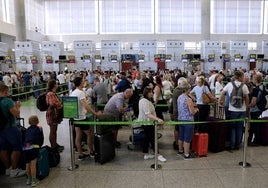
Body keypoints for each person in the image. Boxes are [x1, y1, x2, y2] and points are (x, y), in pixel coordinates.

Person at [70, 77, 102, 160]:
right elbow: (86, 106)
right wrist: (95, 113)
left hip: (75, 117)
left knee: (78, 135)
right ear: (80, 83)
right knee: (89, 134)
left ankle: (80, 154)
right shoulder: (80, 93)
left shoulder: (73, 92)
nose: (84, 82)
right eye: (83, 81)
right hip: (82, 118)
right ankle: (91, 152)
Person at [219, 70, 249, 151]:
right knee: (239, 128)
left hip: (232, 110)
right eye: (243, 76)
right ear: (239, 77)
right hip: (242, 110)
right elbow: (246, 98)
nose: (243, 78)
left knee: (232, 128)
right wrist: (247, 108)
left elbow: (222, 93)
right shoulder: (244, 86)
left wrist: (219, 102)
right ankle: (237, 145)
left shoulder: (229, 84)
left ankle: (231, 145)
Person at [0, 84, 26, 177]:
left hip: (1, 129)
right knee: (17, 147)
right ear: (5, 91)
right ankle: (14, 170)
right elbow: (16, 114)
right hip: (10, 128)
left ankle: (8, 168)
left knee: (3, 148)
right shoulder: (7, 101)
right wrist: (18, 106)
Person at [137, 86, 167, 162]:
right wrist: (158, 119)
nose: (152, 93)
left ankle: (146, 154)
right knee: (153, 138)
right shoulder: (145, 101)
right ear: (146, 93)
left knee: (147, 138)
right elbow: (148, 114)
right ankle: (158, 154)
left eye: (152, 92)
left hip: (147, 122)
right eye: (150, 92)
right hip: (147, 123)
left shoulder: (144, 100)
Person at [177, 81, 199, 160]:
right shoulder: (188, 99)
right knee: (187, 138)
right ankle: (186, 154)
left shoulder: (179, 97)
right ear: (187, 89)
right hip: (188, 121)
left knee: (181, 136)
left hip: (180, 119)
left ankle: (180, 151)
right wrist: (196, 110)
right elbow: (192, 112)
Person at [23, 115, 44, 186]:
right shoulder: (39, 128)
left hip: (25, 148)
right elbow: (41, 140)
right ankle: (34, 180)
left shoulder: (27, 129)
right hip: (34, 148)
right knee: (33, 164)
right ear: (37, 121)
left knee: (27, 164)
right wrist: (39, 146)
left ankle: (28, 179)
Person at [46, 79, 64, 152]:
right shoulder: (50, 94)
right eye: (56, 84)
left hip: (55, 114)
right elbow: (52, 103)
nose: (57, 85)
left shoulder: (53, 93)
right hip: (52, 114)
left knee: (54, 130)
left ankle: (55, 144)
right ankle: (53, 147)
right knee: (52, 130)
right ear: (53, 85)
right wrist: (60, 103)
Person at [248, 73, 263, 146]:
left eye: (253, 79)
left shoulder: (255, 89)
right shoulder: (263, 87)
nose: (252, 80)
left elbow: (253, 102)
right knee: (257, 125)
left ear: (256, 80)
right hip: (261, 109)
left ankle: (255, 141)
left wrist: (248, 106)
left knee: (254, 126)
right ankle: (258, 139)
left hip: (255, 110)